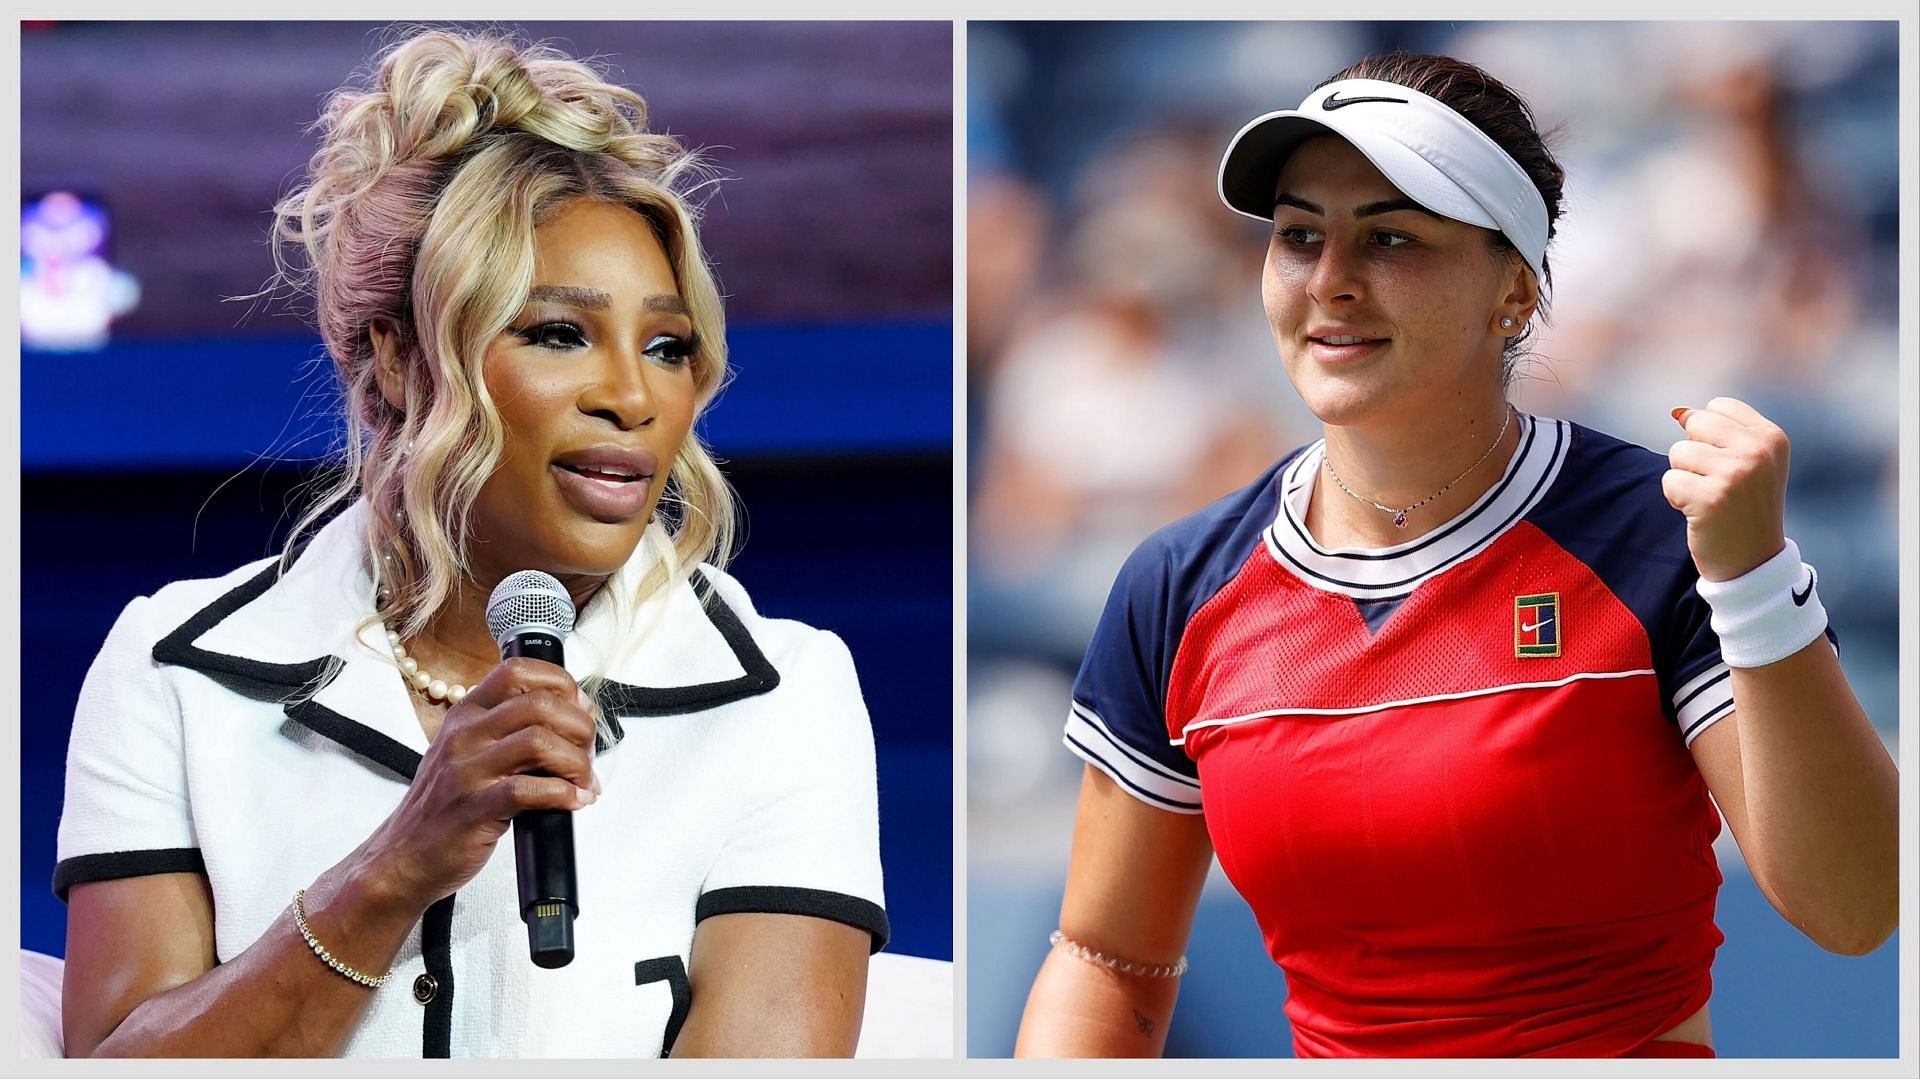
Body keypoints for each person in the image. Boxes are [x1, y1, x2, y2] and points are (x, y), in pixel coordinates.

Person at [1013, 51, 1898, 1059]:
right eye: (1300, 235)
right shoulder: (1177, 586)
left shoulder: (1659, 537)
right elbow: (1106, 959)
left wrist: (1753, 584)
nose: (1331, 281)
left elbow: (1857, 906)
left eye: (1390, 237)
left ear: (1514, 292)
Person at [54, 29, 886, 1058]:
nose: (633, 396)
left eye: (667, 346)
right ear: (400, 361)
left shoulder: (782, 692)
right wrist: (395, 865)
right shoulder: (173, 668)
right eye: (556, 333)